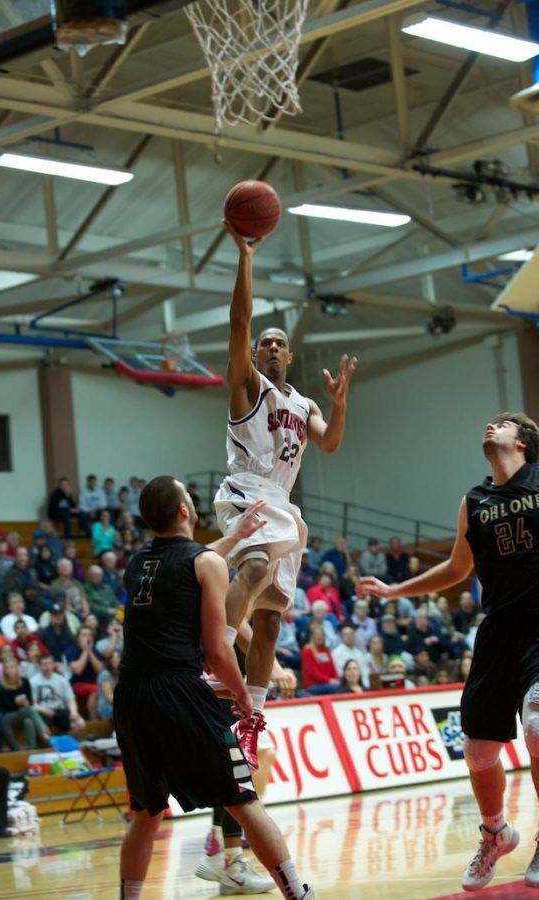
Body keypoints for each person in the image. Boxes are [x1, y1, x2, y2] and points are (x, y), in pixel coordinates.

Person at [357, 412, 539, 891]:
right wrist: (396, 592)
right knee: (478, 753)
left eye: (503, 423)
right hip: (499, 631)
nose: (491, 426)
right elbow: (458, 569)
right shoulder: (473, 502)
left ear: (523, 443)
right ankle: (496, 833)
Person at [115, 476, 314, 900]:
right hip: (179, 692)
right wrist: (245, 695)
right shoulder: (206, 563)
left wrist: (236, 537)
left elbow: (189, 564)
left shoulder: (138, 562)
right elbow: (216, 647)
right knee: (242, 797)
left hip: (131, 694)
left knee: (147, 813)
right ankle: (298, 893)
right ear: (186, 511)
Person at [212, 221, 356, 769]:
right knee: (250, 573)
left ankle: (251, 714)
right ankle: (216, 649)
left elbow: (333, 444)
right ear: (254, 353)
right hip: (246, 488)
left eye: (280, 343)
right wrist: (246, 257)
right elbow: (240, 319)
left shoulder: (302, 404)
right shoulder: (247, 384)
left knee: (271, 618)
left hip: (284, 504)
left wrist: (339, 402)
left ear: (289, 356)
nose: (271, 346)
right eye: (264, 342)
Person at [30, 652, 85, 734]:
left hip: (60, 711)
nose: (48, 667)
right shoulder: (33, 681)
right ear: (39, 666)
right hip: (43, 711)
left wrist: (74, 712)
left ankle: (64, 740)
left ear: (53, 664)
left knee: (80, 723)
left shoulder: (62, 680)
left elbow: (70, 700)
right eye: (44, 664)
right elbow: (33, 704)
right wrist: (46, 711)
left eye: (49, 664)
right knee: (44, 729)